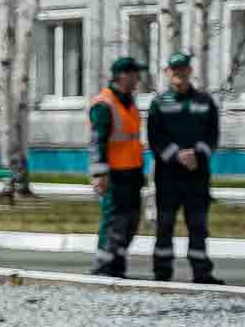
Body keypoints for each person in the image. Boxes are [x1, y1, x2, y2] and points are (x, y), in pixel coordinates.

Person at [145, 51, 222, 284]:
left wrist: (196, 154)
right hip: (168, 175)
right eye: (174, 69)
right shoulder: (159, 103)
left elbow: (212, 135)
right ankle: (162, 273)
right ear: (168, 73)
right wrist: (177, 155)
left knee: (198, 225)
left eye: (183, 69)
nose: (179, 73)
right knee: (165, 225)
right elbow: (155, 139)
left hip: (197, 175)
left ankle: (201, 272)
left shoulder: (205, 101)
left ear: (190, 71)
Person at [89, 56, 147, 278]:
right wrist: (100, 174)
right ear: (123, 75)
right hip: (114, 174)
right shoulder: (104, 104)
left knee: (131, 221)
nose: (138, 78)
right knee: (113, 221)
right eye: (135, 74)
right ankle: (103, 265)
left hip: (132, 172)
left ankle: (118, 262)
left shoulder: (129, 101)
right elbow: (97, 141)